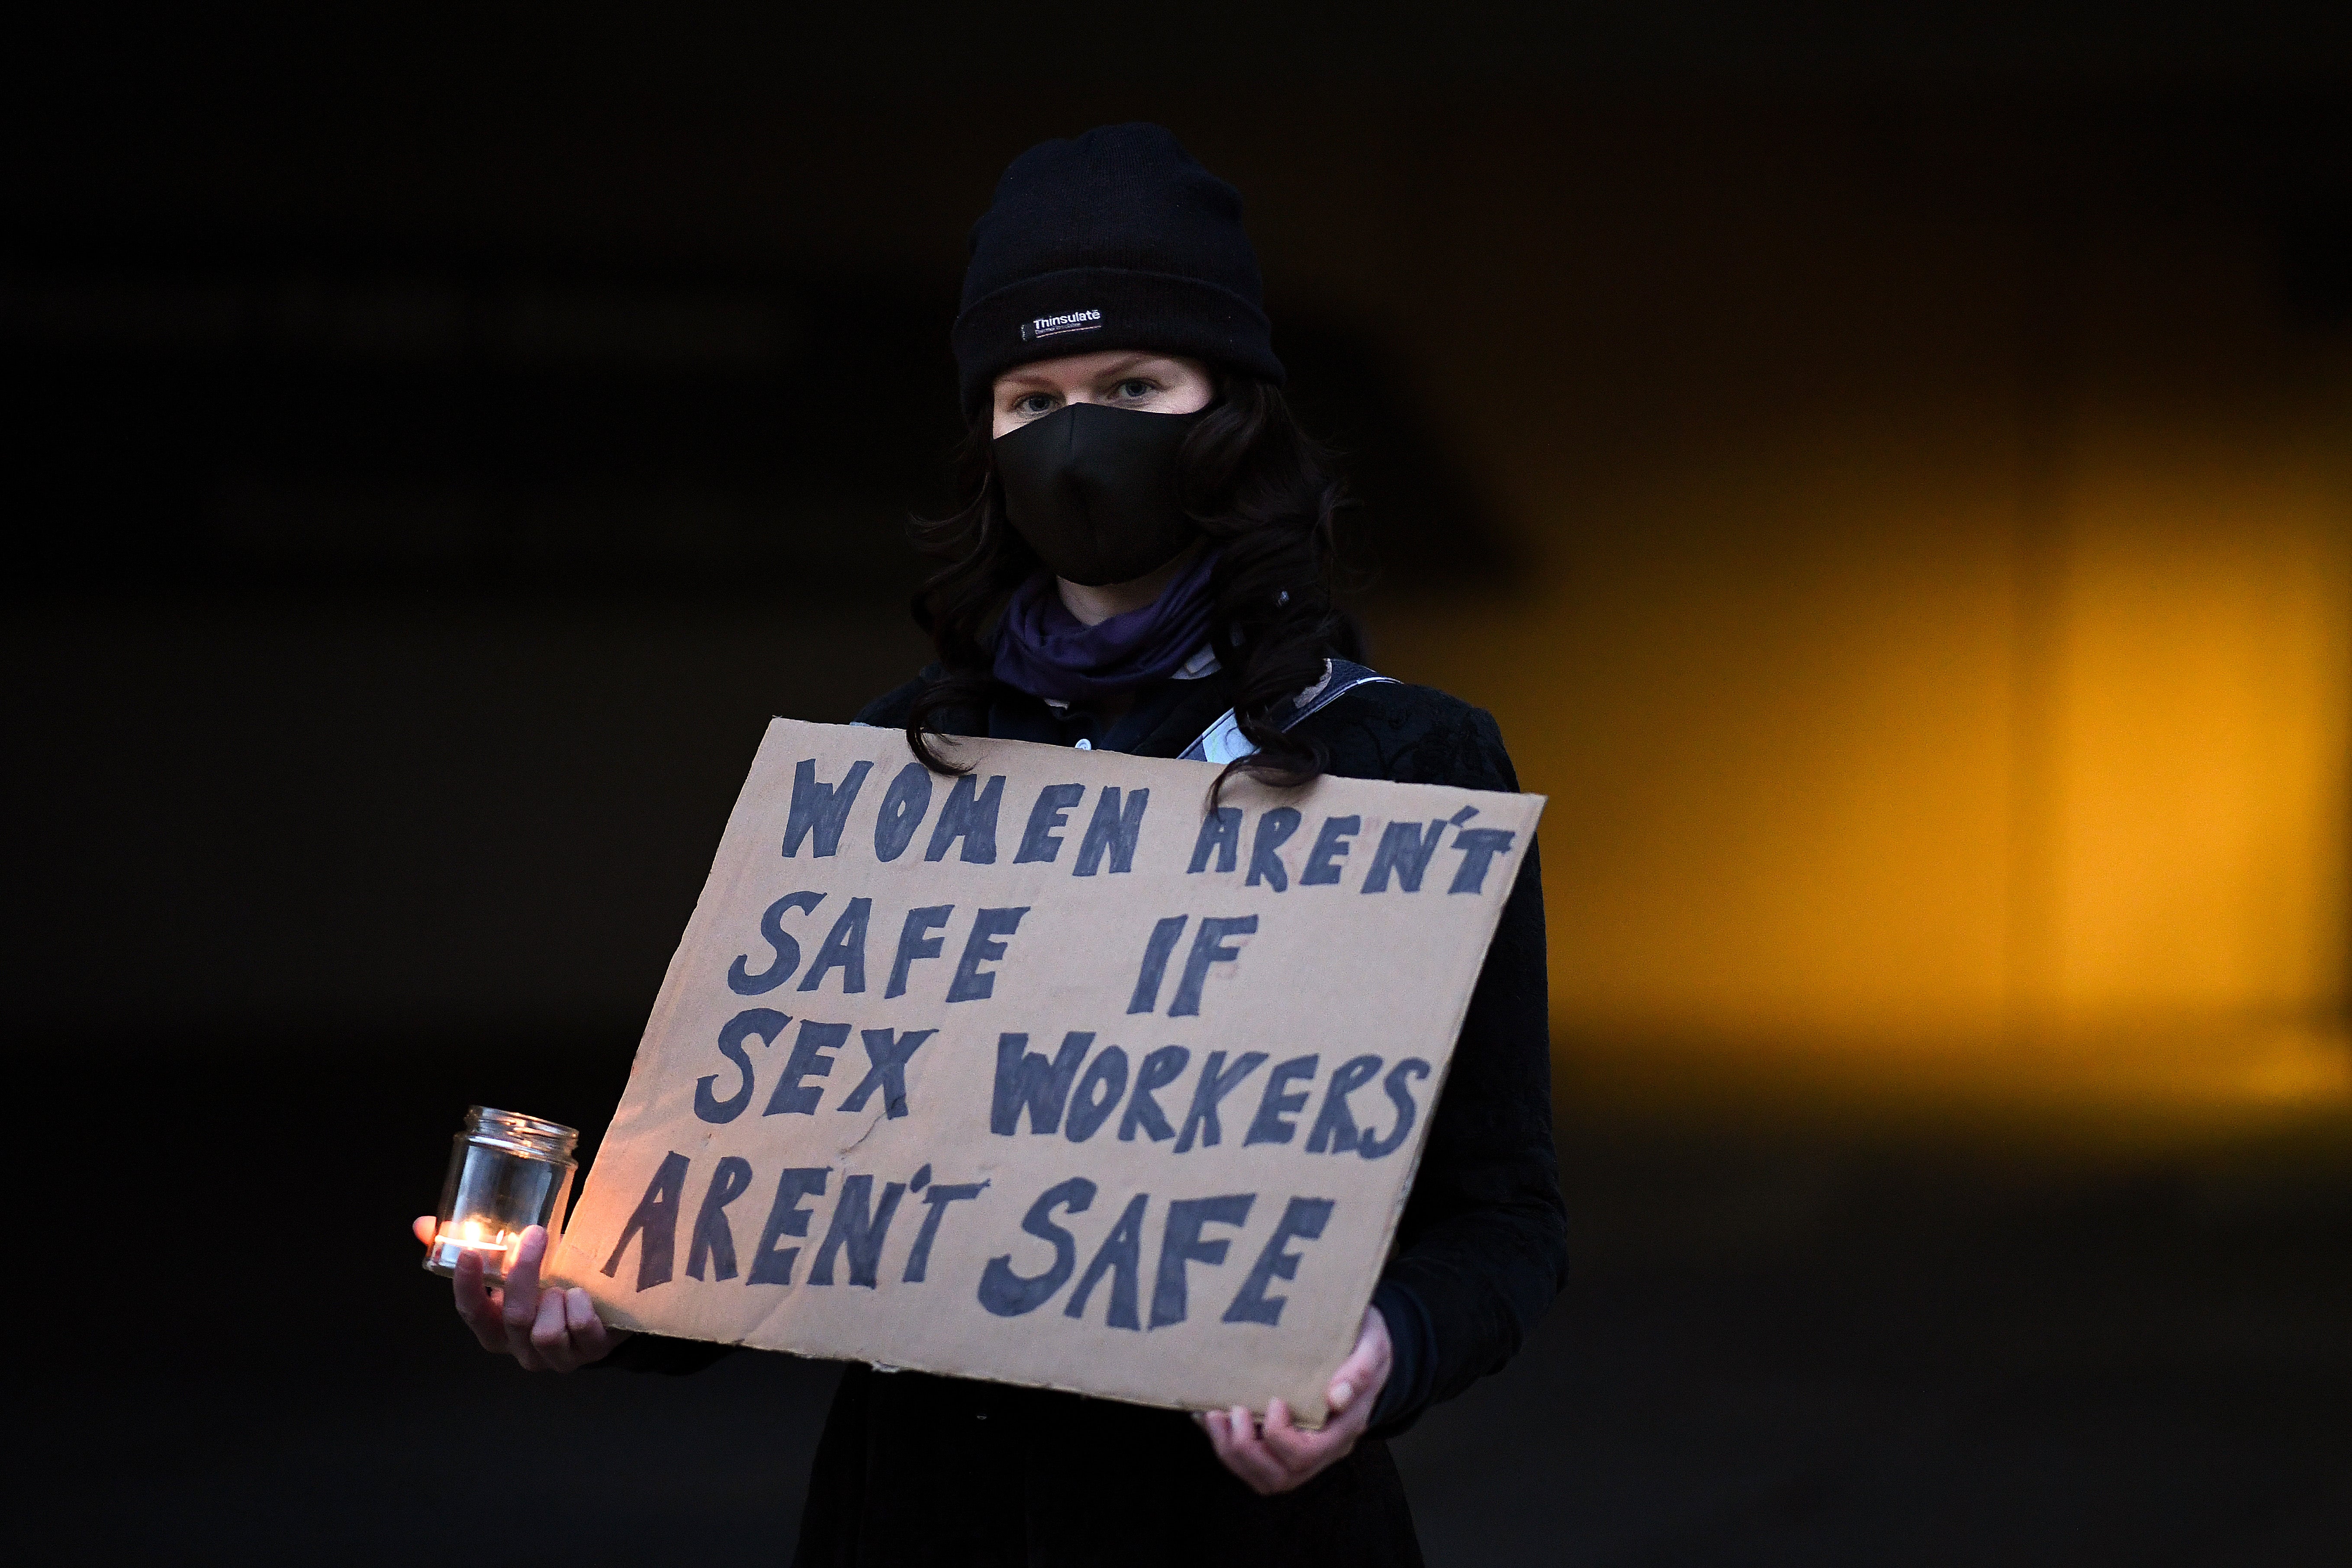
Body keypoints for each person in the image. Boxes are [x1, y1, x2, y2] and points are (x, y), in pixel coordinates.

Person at [413, 122, 1567, 1566]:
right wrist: (590, 1301)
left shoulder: (1403, 764)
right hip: (916, 1523)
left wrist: (1375, 1355)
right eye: (1032, 398)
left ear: (1232, 412)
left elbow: (1506, 1219)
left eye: (1133, 386)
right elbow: (787, 1195)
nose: (1079, 437)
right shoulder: (893, 759)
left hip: (1230, 1540)